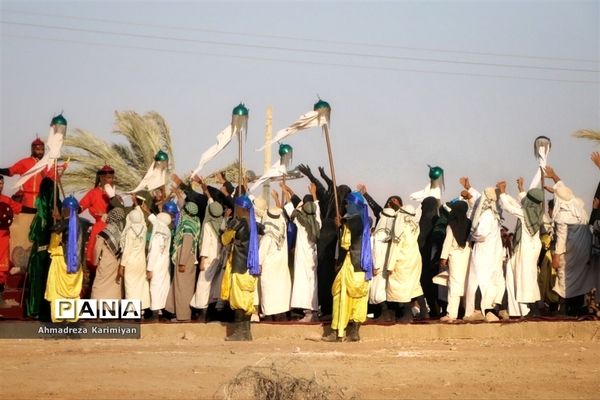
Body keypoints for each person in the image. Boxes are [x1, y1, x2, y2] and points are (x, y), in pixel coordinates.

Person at [322, 192, 373, 342]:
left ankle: (336, 332)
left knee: (341, 296)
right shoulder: (367, 220)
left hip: (350, 265)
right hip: (364, 265)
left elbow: (345, 245)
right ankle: (355, 332)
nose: (345, 206)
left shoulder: (349, 222)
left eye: (347, 203)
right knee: (359, 299)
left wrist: (341, 228)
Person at [545, 166, 593, 316]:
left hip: (572, 253)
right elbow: (564, 190)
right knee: (580, 279)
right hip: (585, 251)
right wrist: (554, 176)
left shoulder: (562, 215)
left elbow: (561, 237)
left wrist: (557, 256)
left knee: (566, 279)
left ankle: (569, 309)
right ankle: (580, 307)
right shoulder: (577, 205)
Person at [0, 138, 52, 272]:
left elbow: (52, 180)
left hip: (42, 200)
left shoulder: (47, 164)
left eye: (41, 148)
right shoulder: (25, 162)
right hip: (27, 198)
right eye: (37, 148)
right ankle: (22, 257)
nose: (40, 150)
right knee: (25, 228)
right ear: (32, 149)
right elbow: (11, 171)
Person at [498, 179, 544, 317]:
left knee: (524, 277)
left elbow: (510, 208)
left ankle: (529, 309)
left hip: (526, 249)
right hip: (530, 248)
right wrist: (520, 188)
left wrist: (501, 193)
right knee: (513, 274)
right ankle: (517, 311)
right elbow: (524, 202)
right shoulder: (537, 212)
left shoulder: (525, 213)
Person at [221, 195, 261, 341]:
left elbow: (225, 239)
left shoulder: (237, 223)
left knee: (238, 300)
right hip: (252, 267)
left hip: (239, 265)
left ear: (239, 208)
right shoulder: (255, 225)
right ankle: (246, 332)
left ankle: (239, 332)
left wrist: (228, 225)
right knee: (248, 301)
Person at [464, 187, 505, 322]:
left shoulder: (487, 215)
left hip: (483, 252)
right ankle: (491, 310)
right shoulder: (494, 213)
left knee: (479, 281)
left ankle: (479, 311)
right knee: (491, 281)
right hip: (492, 252)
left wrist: (471, 236)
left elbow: (480, 233)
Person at [44, 196, 84, 323]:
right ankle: (72, 318)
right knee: (72, 293)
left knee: (57, 293)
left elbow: (52, 246)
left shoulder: (59, 226)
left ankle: (59, 319)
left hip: (61, 261)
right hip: (77, 264)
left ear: (64, 210)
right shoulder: (83, 224)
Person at [287, 184, 321, 322]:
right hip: (313, 256)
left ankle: (308, 312)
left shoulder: (300, 222)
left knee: (303, 284)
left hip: (302, 257)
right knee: (313, 283)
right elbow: (316, 208)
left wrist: (288, 192)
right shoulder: (317, 222)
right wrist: (314, 194)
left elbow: (292, 210)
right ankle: (314, 310)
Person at [385, 205, 426, 323]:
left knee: (402, 288)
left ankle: (407, 315)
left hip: (403, 261)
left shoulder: (399, 230)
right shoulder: (413, 227)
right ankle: (424, 312)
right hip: (414, 259)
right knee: (415, 286)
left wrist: (390, 266)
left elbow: (395, 249)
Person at [25, 177, 57, 320]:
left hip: (39, 254)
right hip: (53, 254)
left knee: (37, 281)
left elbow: (32, 236)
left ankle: (35, 309)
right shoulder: (57, 213)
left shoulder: (41, 217)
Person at [190, 194, 225, 322]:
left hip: (209, 258)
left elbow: (205, 243)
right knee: (215, 284)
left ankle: (202, 311)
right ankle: (212, 310)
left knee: (203, 284)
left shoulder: (208, 225)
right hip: (220, 258)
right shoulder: (223, 222)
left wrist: (202, 259)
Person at [165, 202, 201, 322]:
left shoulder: (187, 224)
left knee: (183, 287)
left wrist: (182, 262)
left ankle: (183, 316)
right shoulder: (195, 220)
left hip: (185, 258)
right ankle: (174, 310)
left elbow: (187, 243)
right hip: (188, 257)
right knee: (181, 285)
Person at [258, 192, 291, 321]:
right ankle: (280, 315)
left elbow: (261, 254)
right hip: (281, 266)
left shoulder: (268, 236)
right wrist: (277, 198)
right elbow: (281, 213)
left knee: (269, 292)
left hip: (269, 268)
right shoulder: (282, 229)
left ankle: (269, 316)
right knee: (280, 291)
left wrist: (258, 264)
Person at [439, 201, 472, 322]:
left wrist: (443, 257)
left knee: (454, 285)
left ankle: (451, 314)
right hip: (467, 256)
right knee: (466, 285)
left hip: (455, 256)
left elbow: (448, 242)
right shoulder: (469, 223)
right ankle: (466, 312)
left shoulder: (451, 225)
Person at [79, 165, 116, 269]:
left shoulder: (115, 195)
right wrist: (72, 208)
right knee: (95, 260)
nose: (109, 179)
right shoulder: (93, 193)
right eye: (107, 177)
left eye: (111, 177)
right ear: (101, 178)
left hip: (113, 229)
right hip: (99, 229)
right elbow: (81, 205)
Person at [117, 206, 150, 315]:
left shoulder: (130, 232)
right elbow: (143, 221)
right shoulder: (144, 229)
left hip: (131, 262)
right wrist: (138, 206)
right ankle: (141, 309)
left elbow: (127, 250)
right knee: (141, 285)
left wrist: (122, 266)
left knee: (130, 286)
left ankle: (131, 311)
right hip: (141, 261)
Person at [90, 208, 125, 301]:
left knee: (99, 284)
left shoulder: (104, 233)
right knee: (114, 285)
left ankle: (98, 307)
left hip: (105, 263)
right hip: (117, 263)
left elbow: (97, 249)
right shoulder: (122, 232)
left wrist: (95, 262)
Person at [147, 212, 172, 320]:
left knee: (155, 286)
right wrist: (146, 210)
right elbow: (155, 220)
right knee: (163, 285)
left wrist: (149, 268)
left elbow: (154, 252)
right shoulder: (167, 230)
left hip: (156, 262)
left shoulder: (158, 233)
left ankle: (155, 313)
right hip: (165, 262)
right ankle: (162, 310)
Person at [0, 175, 22, 291]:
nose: (1, 186)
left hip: (3, 235)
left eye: (2, 183)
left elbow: (19, 208)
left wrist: (37, 210)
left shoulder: (7, 200)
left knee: (2, 265)